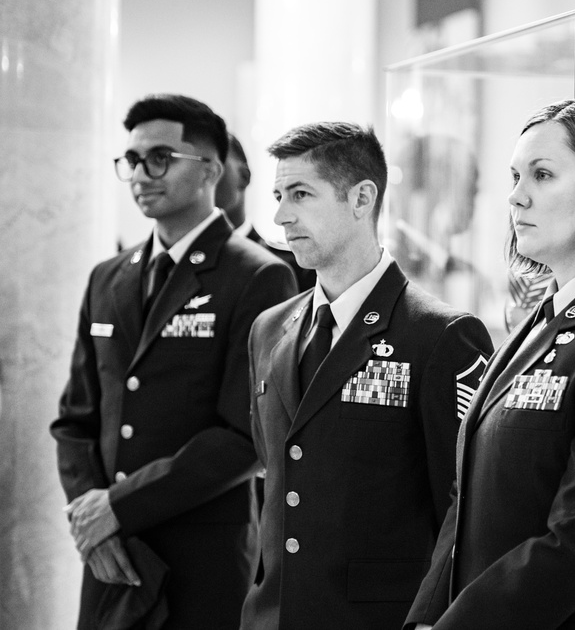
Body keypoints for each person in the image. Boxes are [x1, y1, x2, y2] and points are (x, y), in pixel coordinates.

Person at [405, 96, 575, 629]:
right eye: (515, 176)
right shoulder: (544, 319)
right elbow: (462, 504)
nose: (516, 197)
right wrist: (426, 617)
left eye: (542, 175)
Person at [51, 94, 298, 629]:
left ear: (210, 168)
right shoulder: (107, 276)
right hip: (111, 555)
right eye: (133, 161)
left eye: (160, 158)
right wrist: (90, 517)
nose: (141, 173)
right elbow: (75, 418)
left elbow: (244, 435)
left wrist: (117, 507)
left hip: (200, 557)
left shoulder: (258, 276)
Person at [240, 121, 494, 630]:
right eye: (277, 195)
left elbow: (464, 506)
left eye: (300, 194)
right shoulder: (270, 328)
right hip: (274, 616)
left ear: (361, 199)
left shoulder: (442, 335)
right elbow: (273, 472)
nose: (280, 215)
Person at [216, 131, 315, 291]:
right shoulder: (166, 265)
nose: (201, 178)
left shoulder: (297, 266)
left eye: (216, 166)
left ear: (244, 176)